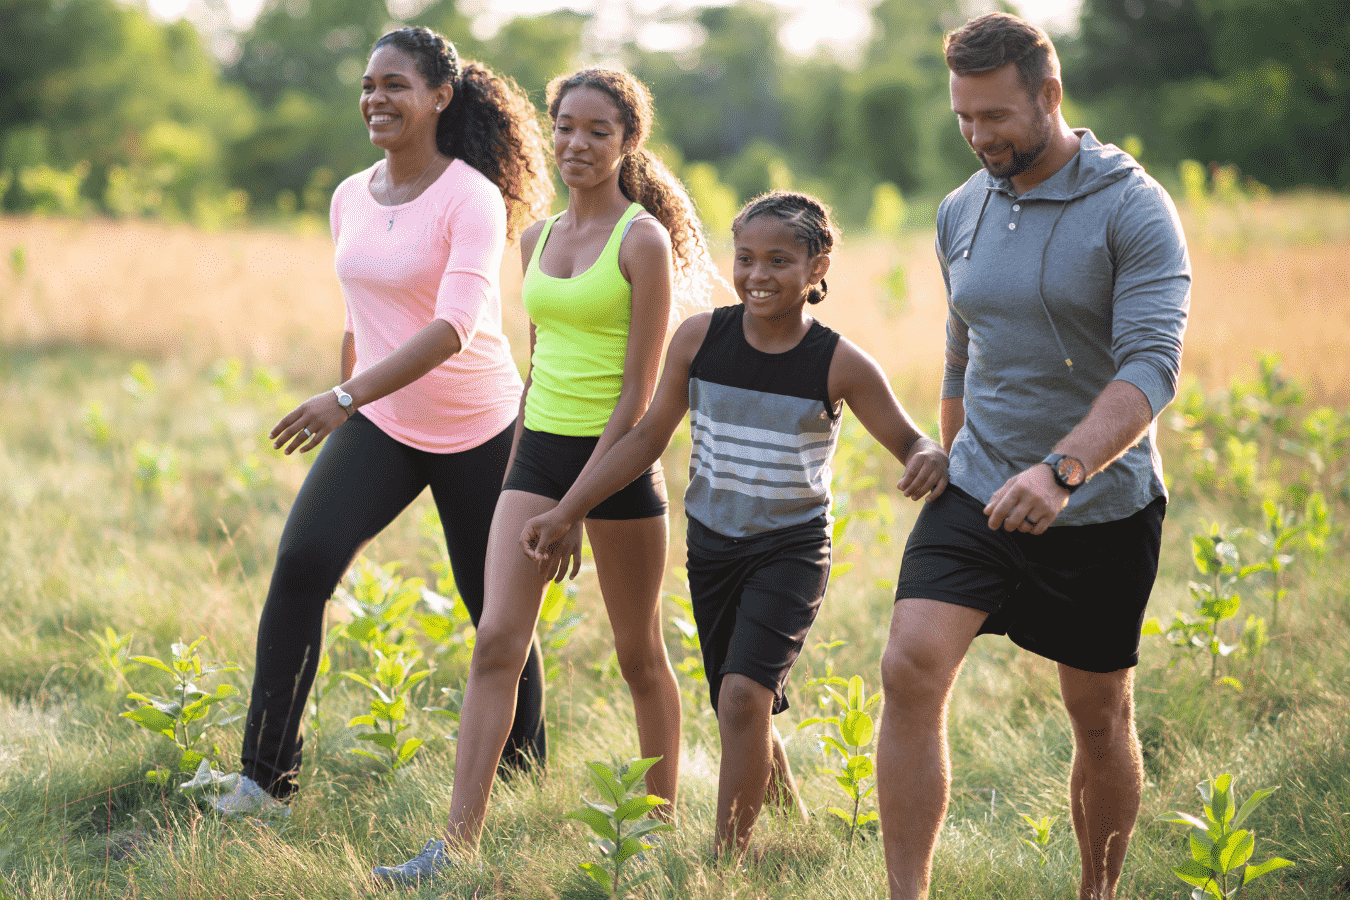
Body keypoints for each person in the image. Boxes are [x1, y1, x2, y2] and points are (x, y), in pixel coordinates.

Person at [519, 191, 948, 862]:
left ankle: (725, 864)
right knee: (737, 699)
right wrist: (568, 507)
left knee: (744, 697)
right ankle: (793, 818)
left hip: (790, 550)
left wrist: (926, 456)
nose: (757, 275)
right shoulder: (700, 339)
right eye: (745, 258)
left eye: (780, 260)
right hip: (713, 548)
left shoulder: (837, 362)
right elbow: (644, 439)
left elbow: (911, 439)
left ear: (818, 267)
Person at [372, 67, 721, 884]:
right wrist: (526, 479)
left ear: (628, 141)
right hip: (538, 454)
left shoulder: (643, 241)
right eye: (565, 126)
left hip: (618, 463)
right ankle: (454, 848)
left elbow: (638, 395)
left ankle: (653, 836)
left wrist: (573, 508)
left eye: (598, 130)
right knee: (496, 639)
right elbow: (540, 365)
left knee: (639, 653)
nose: (577, 144)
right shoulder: (535, 239)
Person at [875, 13, 1190, 900]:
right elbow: (961, 349)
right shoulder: (960, 209)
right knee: (909, 667)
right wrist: (945, 445)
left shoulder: (1131, 205)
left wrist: (1062, 470)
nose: (978, 137)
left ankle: (1098, 890)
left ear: (1049, 97)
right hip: (977, 489)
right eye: (964, 118)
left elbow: (1152, 364)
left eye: (996, 118)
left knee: (1097, 717)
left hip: (1099, 504)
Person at [210, 26, 554, 817]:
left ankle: (525, 780)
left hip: (479, 426)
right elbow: (359, 316)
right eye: (369, 85)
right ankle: (265, 780)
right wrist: (349, 407)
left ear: (440, 96)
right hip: (382, 419)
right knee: (301, 564)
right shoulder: (349, 195)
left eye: (395, 84)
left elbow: (455, 326)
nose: (375, 99)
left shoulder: (471, 196)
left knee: (493, 608)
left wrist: (342, 399)